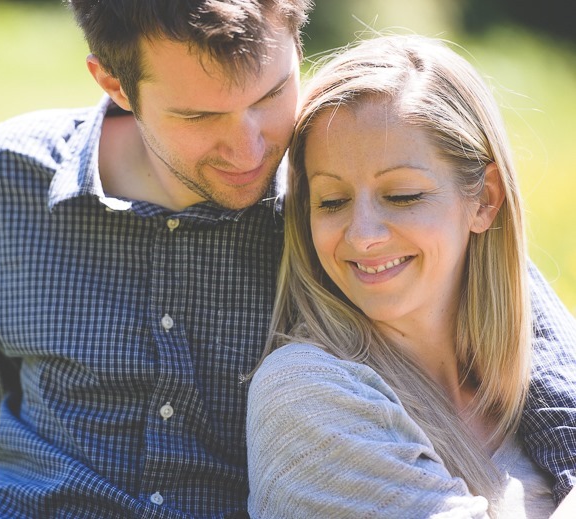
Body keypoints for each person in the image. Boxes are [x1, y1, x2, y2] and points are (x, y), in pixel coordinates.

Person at [0, 1, 576, 516]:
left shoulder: (332, 199)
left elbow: (541, 364)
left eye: (273, 92)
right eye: (199, 116)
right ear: (114, 83)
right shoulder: (10, 177)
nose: (251, 147)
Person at [246, 33, 576, 518]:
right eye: (332, 202)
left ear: (484, 200)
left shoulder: (539, 384)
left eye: (402, 196)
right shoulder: (303, 396)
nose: (362, 236)